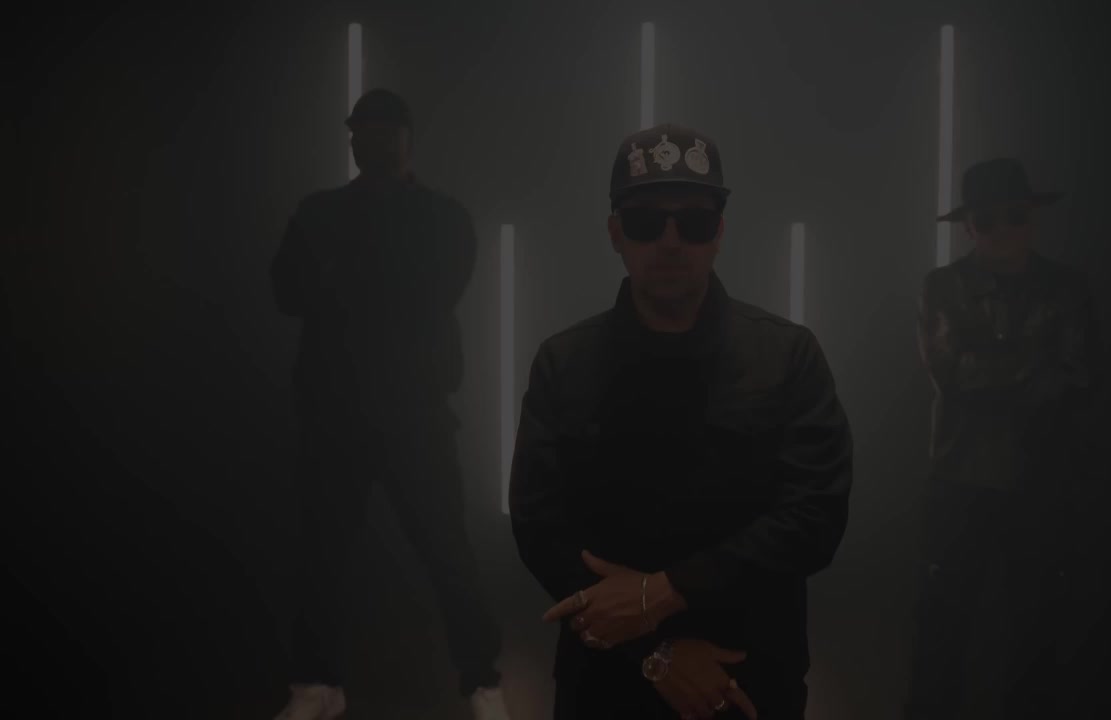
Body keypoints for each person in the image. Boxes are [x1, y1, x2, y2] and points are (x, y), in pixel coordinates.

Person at [508, 123, 854, 719]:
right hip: (606, 683)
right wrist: (657, 652)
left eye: (693, 222)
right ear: (615, 234)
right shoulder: (564, 363)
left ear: (718, 233)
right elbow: (541, 526)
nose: (670, 241)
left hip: (745, 681)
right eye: (646, 222)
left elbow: (815, 515)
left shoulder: (786, 356)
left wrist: (663, 593)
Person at [269, 88, 509, 720]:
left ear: (406, 138)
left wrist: (342, 283)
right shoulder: (326, 212)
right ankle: (316, 684)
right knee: (322, 558)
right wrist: (376, 286)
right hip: (340, 413)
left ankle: (481, 681)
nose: (367, 139)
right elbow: (285, 290)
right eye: (360, 130)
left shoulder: (439, 217)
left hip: (413, 412)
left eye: (380, 129)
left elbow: (433, 291)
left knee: (447, 554)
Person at [905, 158, 1098, 718]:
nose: (1004, 229)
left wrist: (999, 370)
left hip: (1042, 478)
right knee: (942, 622)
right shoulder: (942, 286)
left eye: (1015, 215)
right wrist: (1036, 368)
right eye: (989, 220)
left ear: (1032, 217)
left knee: (1037, 625)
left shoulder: (1068, 287)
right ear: (969, 227)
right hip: (960, 478)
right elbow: (954, 374)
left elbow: (1080, 375)